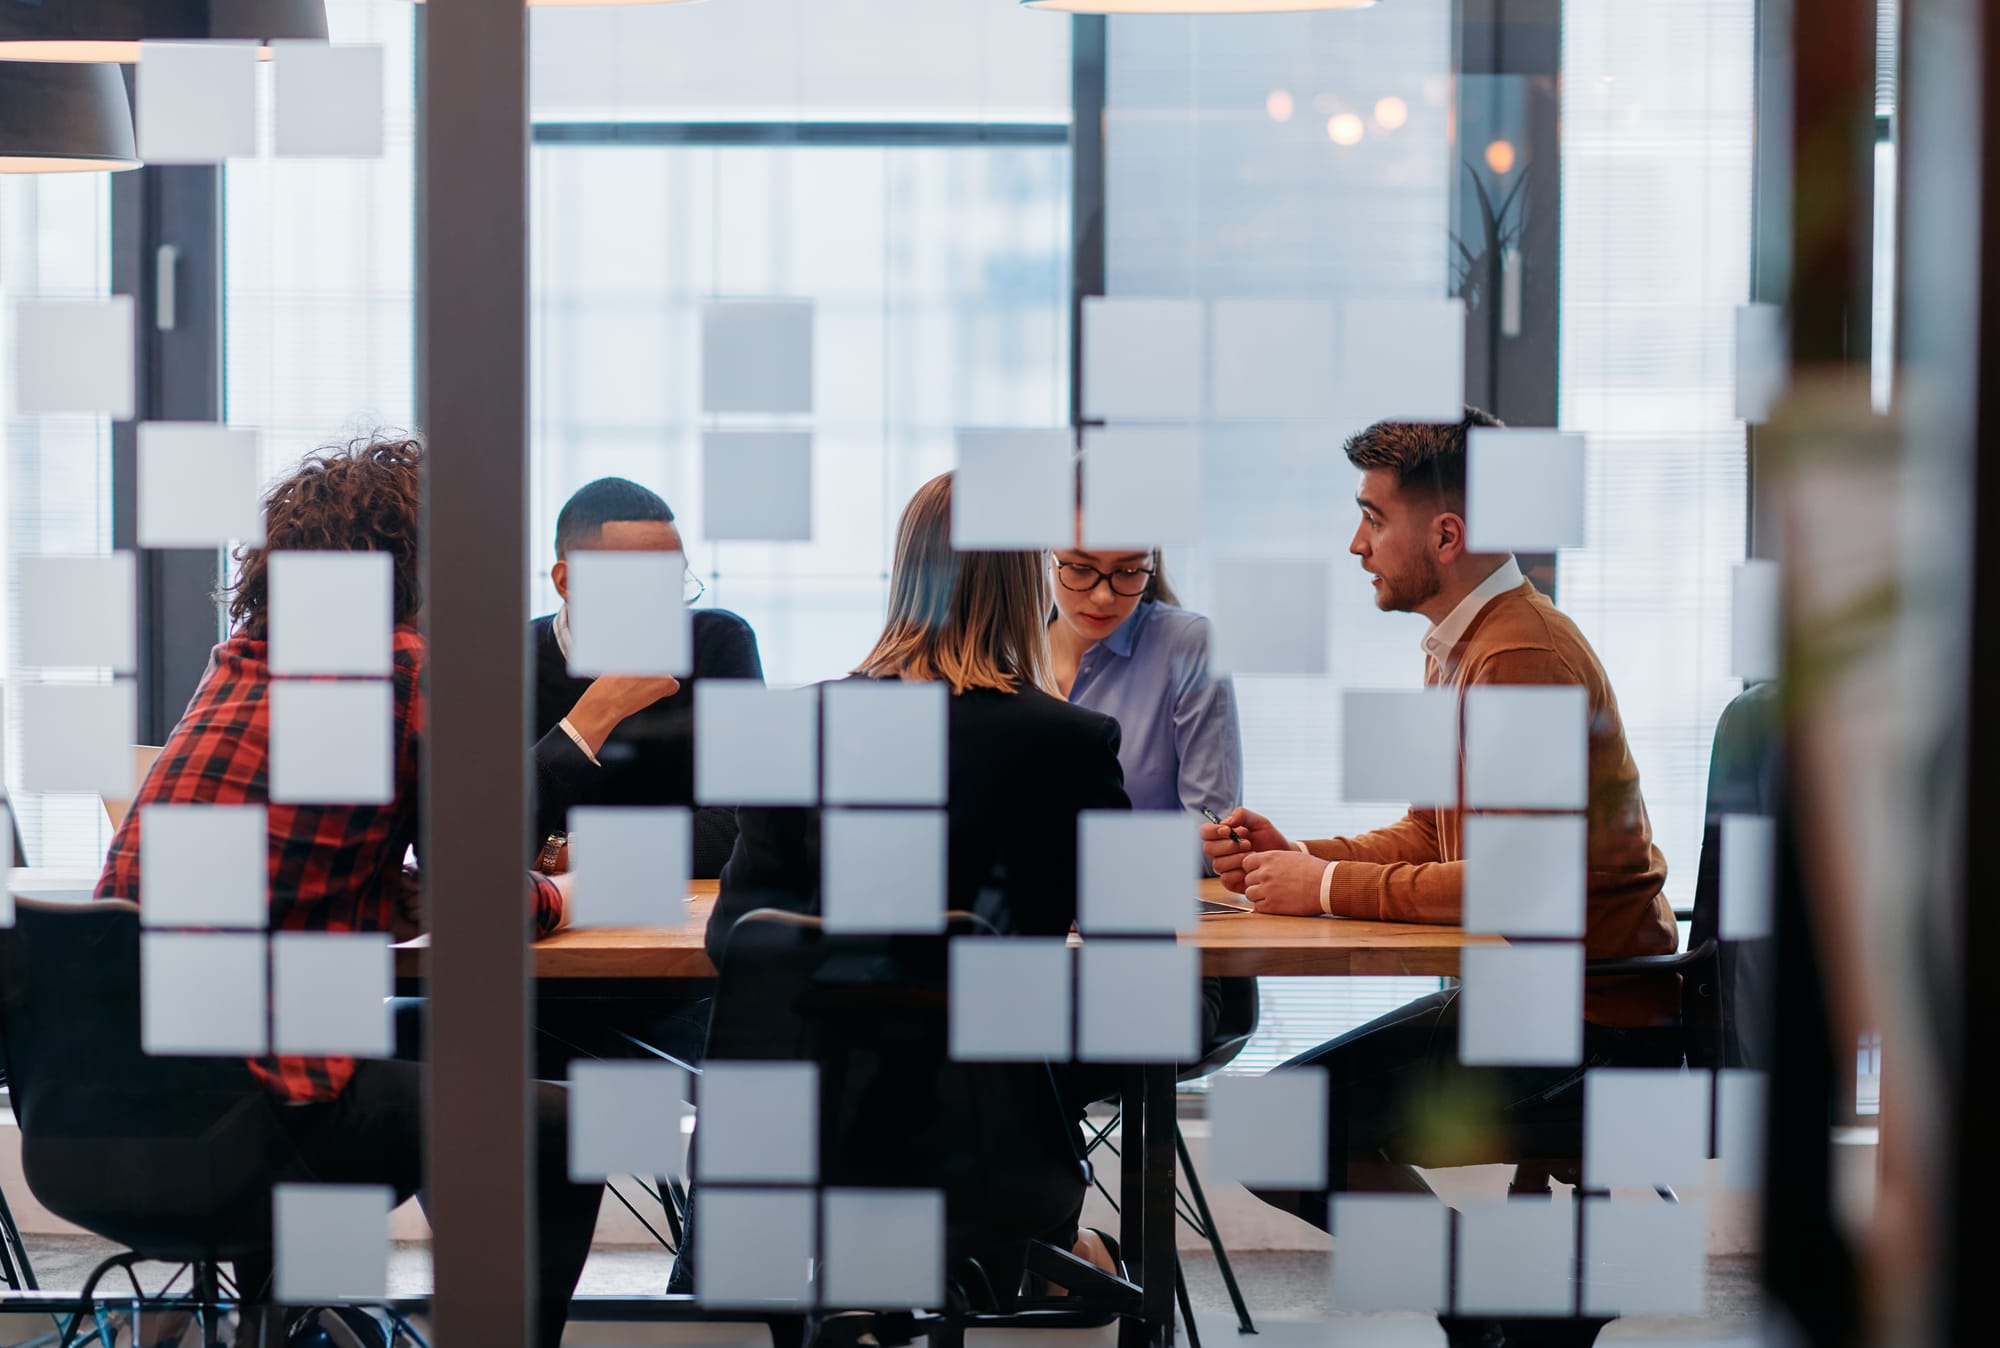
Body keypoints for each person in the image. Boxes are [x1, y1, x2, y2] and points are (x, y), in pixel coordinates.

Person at [94, 437, 601, 1346]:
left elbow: (277, 868)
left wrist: (391, 895)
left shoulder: (239, 661)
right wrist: (562, 899)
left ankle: (281, 1319)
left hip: (99, 1099)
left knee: (432, 1036)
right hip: (244, 1109)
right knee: (563, 1123)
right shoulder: (410, 669)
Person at [1200, 409, 1683, 1230]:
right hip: (1540, 1000)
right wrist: (1300, 856)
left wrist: (1321, 887)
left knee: (1272, 1130)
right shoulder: (1461, 644)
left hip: (1591, 1022)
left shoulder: (1518, 657)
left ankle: (1490, 1306)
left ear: (1447, 535)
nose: (1357, 545)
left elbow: (1520, 888)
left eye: (1373, 518)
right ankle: (1496, 1308)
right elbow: (1432, 834)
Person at [696, 471, 1131, 1283]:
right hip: (997, 1138)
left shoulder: (794, 725)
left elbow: (737, 942)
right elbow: (1123, 952)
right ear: (1022, 586)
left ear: (903, 577)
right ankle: (1047, 1251)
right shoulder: (1072, 743)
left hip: (807, 1140)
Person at [532, 477, 764, 879]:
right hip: (545, 927)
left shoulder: (716, 643)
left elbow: (746, 827)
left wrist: (567, 851)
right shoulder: (507, 661)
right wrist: (594, 714)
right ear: (567, 582)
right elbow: (484, 837)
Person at [1047, 535, 1241, 823]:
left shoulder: (1187, 645)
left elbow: (1213, 834)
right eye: (1080, 568)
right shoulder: (999, 649)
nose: (1103, 597)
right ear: (1045, 555)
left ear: (1152, 563)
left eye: (1129, 572)